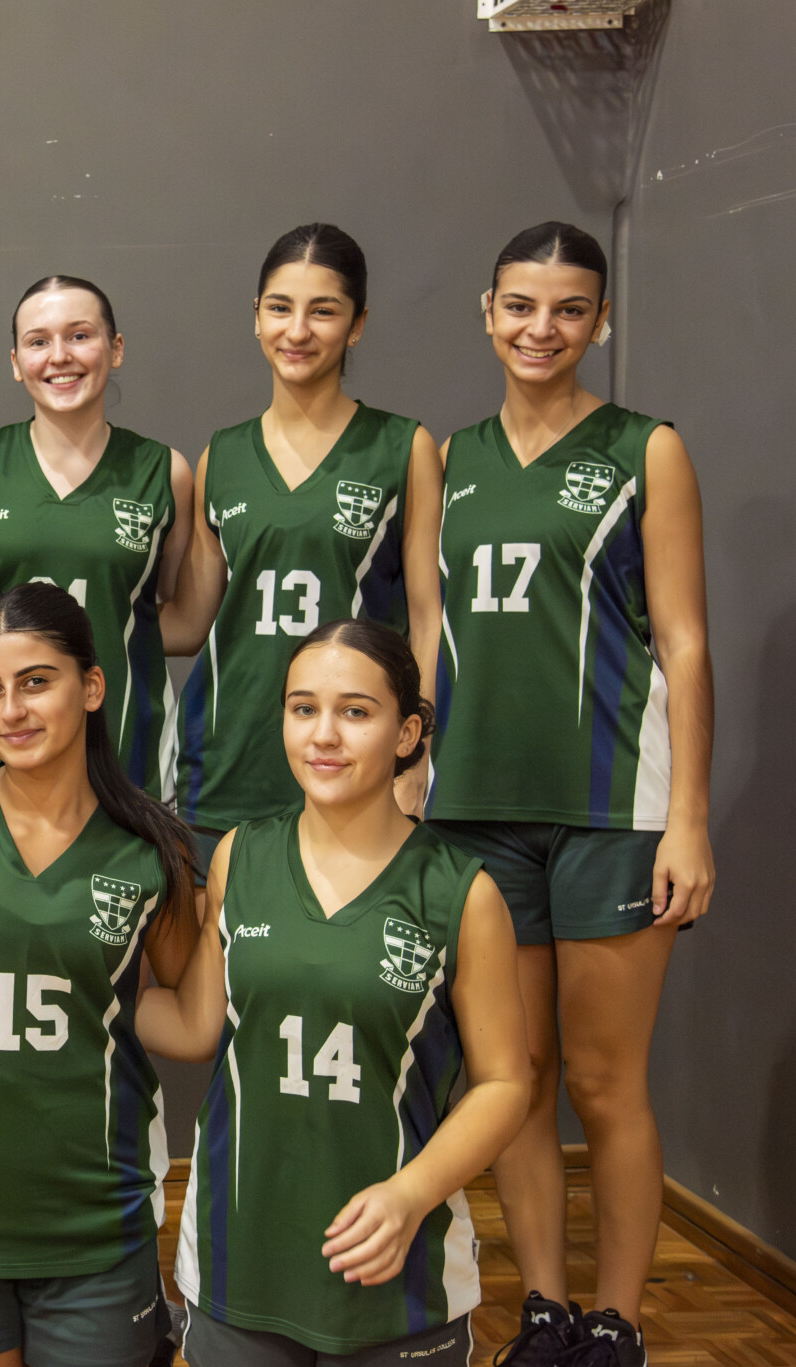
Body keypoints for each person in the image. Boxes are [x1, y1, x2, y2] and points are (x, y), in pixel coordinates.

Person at [429, 222, 715, 1367]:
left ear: (597, 321)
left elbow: (683, 642)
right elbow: (424, 631)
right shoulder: (445, 459)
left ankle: (617, 1320)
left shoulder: (646, 448)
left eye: (565, 309)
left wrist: (688, 816)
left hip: (609, 808)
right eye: (518, 305)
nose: (538, 328)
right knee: (516, 1075)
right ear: (485, 312)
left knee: (602, 1080)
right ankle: (544, 1307)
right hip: (470, 809)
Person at [157, 619, 528, 1366]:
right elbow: (196, 1024)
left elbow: (505, 1084)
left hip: (398, 1273)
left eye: (355, 711)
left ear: (407, 731)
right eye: (304, 708)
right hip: (240, 1257)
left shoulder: (463, 892)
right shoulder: (237, 858)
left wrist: (411, 1193)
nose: (324, 734)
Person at [0, 581, 212, 1367]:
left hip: (95, 1211)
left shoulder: (151, 846)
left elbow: (184, 1017)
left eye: (35, 681)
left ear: (91, 686)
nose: (11, 710)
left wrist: (231, 889)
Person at [161, 225, 444, 895]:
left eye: (323, 310)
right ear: (256, 317)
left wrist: (414, 759)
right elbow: (191, 623)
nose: (298, 330)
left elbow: (429, 621)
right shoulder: (221, 456)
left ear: (357, 325)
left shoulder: (404, 447)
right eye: (280, 307)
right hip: (227, 758)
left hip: (350, 758)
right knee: (212, 959)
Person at [0, 276, 193, 799]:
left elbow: (172, 617)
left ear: (115, 348)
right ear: (16, 362)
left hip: (125, 750)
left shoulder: (164, 471)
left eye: (80, 335)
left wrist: (99, 640)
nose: (60, 356)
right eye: (39, 341)